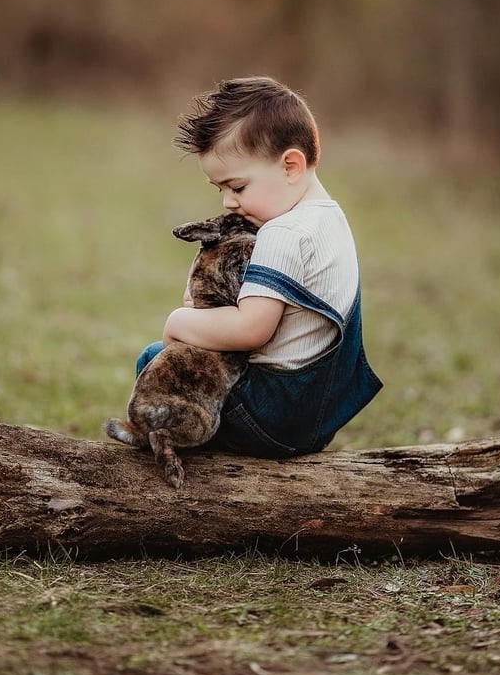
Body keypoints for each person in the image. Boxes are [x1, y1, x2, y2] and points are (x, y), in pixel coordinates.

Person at [135, 76, 382, 457]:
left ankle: (168, 458)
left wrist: (180, 321)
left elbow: (253, 329)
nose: (228, 203)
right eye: (220, 190)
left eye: (237, 187)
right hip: (316, 413)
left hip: (271, 415)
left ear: (291, 166)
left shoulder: (283, 233)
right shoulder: (329, 219)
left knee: (154, 360)